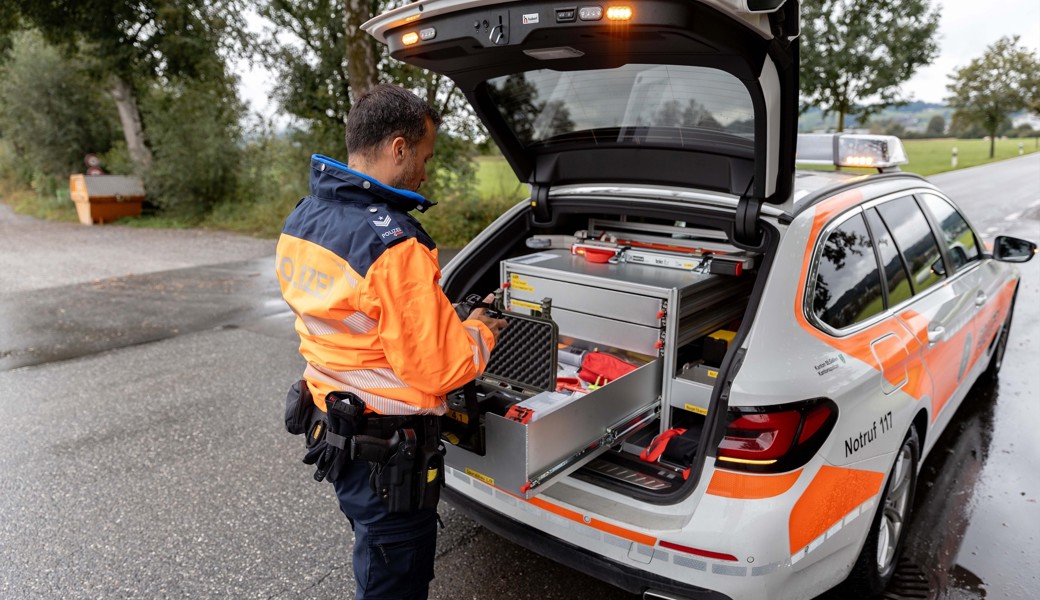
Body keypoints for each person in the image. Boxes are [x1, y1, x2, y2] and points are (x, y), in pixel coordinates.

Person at [276, 83, 507, 600]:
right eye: (425, 157)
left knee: (373, 559)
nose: (425, 173)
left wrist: (435, 318)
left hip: (337, 429)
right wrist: (480, 330)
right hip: (386, 456)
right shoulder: (394, 247)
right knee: (392, 584)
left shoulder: (304, 217)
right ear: (399, 148)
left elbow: (359, 317)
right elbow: (443, 368)